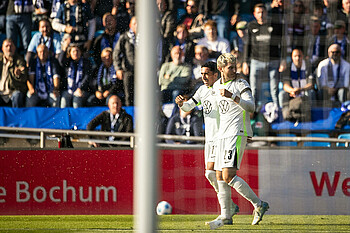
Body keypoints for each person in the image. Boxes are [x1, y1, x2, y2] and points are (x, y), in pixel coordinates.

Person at [175, 61, 239, 227]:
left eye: (206, 74)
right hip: (209, 139)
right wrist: (182, 103)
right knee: (209, 174)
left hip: (221, 137)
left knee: (216, 173)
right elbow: (190, 105)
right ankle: (230, 206)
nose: (203, 77)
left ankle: (227, 212)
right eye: (201, 73)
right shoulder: (202, 90)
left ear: (215, 75)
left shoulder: (221, 89)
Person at [212, 53, 269, 227]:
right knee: (219, 175)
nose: (234, 69)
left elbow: (251, 107)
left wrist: (233, 96)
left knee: (228, 175)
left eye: (235, 66)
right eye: (230, 67)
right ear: (220, 69)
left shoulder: (241, 84)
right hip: (222, 134)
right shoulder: (216, 85)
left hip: (236, 132)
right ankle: (226, 215)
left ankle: (259, 204)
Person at [243, 3, 286, 109]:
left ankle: (276, 108)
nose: (261, 15)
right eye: (258, 12)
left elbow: (283, 43)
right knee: (253, 87)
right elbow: (247, 45)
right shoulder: (251, 26)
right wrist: (245, 62)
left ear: (266, 12)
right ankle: (253, 109)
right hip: (256, 61)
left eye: (263, 12)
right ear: (254, 14)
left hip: (273, 60)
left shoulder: (275, 25)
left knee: (274, 87)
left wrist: (283, 59)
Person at [279, 49, 314, 122]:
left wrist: (300, 89)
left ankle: (309, 115)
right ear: (292, 57)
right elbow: (285, 85)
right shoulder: (288, 67)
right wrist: (292, 91)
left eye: (299, 56)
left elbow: (311, 84)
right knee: (282, 94)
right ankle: (286, 116)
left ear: (302, 57)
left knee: (311, 93)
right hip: (293, 93)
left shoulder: (308, 66)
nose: (297, 58)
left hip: (304, 92)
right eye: (295, 56)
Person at [59, 39, 92, 108]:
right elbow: (60, 61)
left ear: (80, 52)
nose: (75, 53)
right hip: (69, 89)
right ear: (70, 53)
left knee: (77, 100)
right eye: (73, 51)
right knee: (64, 100)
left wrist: (80, 88)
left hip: (82, 90)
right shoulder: (67, 63)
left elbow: (87, 77)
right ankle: (64, 118)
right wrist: (64, 49)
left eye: (77, 51)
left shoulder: (86, 63)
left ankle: (77, 119)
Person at [113, 16, 137, 106]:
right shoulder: (125, 37)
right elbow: (116, 53)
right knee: (129, 96)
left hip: (142, 72)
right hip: (128, 71)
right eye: (135, 23)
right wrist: (118, 68)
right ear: (130, 25)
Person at [0, 39, 28, 107]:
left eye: (11, 46)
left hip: (13, 91)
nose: (9, 48)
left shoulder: (20, 60)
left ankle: (17, 117)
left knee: (17, 96)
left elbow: (24, 77)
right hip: (1, 92)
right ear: (2, 48)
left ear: (15, 48)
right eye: (6, 46)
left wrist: (18, 75)